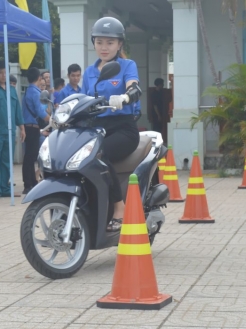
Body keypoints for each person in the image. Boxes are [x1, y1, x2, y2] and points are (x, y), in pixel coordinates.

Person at [81, 17, 142, 232]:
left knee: (98, 155)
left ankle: (119, 207)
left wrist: (126, 97)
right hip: (96, 129)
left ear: (119, 44)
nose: (104, 47)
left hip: (123, 128)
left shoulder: (127, 65)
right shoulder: (89, 72)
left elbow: (134, 87)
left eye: (109, 42)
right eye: (99, 42)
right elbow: (82, 100)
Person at [0, 60, 26, 199]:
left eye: (5, 72)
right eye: (0, 72)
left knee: (7, 160)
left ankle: (5, 187)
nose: (3, 75)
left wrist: (22, 128)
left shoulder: (12, 90)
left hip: (10, 130)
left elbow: (17, 110)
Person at [22, 67, 50, 194]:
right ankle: (28, 184)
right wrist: (52, 120)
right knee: (30, 157)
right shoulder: (35, 92)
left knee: (30, 156)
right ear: (39, 78)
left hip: (28, 126)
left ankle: (31, 182)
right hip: (32, 127)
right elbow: (39, 111)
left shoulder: (29, 91)